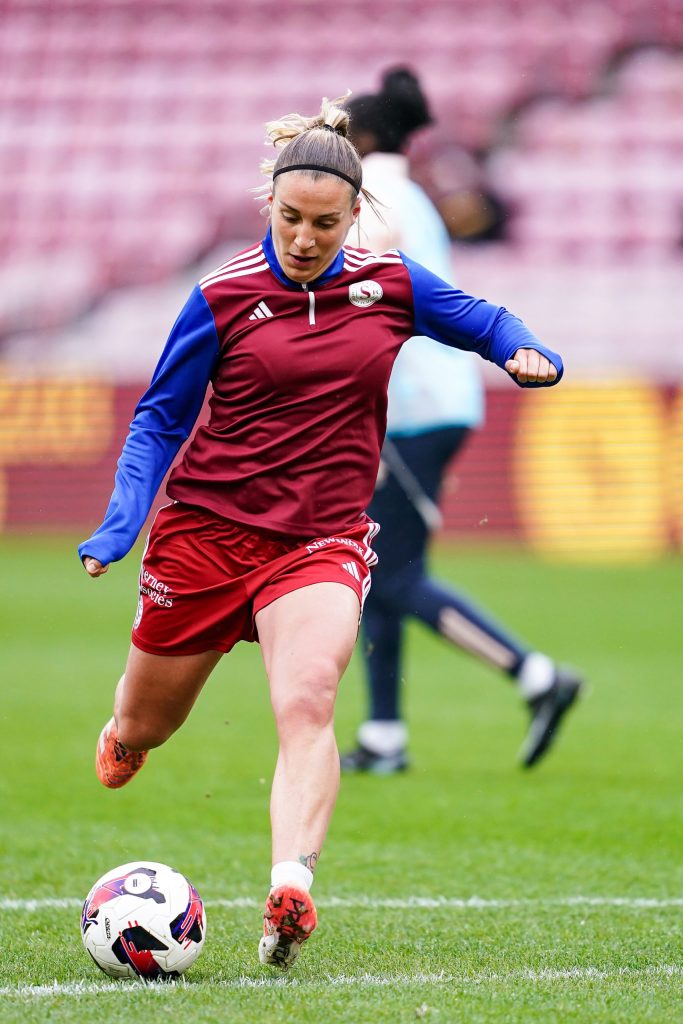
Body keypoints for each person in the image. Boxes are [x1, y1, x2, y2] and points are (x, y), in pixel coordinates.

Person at [79, 92, 563, 972]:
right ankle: (124, 731)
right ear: (269, 204)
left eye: (325, 224)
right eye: (291, 219)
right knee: (148, 724)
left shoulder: (390, 285)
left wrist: (521, 349)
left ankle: (289, 888)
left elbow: (485, 319)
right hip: (205, 536)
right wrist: (119, 527)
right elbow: (159, 419)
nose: (305, 238)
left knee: (308, 701)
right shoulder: (222, 295)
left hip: (319, 543)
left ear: (353, 214)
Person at [340, 68, 582, 776]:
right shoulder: (408, 193)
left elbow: (363, 297)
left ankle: (534, 674)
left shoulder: (373, 197)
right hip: (438, 400)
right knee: (379, 563)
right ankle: (384, 735)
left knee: (394, 573)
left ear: (360, 138)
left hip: (410, 408)